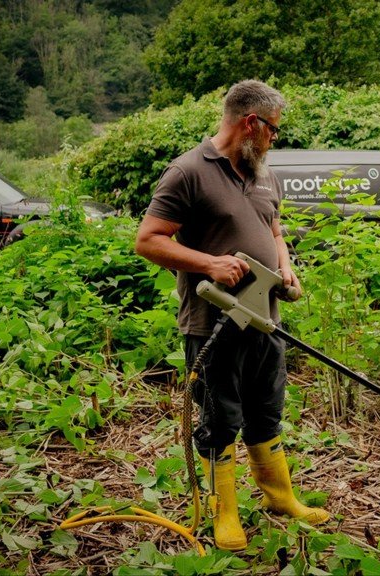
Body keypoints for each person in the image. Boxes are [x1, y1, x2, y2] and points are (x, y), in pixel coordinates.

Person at [135, 80, 329, 551]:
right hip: (215, 324)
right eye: (273, 131)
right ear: (250, 123)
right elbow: (148, 240)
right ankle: (226, 513)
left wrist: (286, 267)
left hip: (266, 320)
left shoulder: (264, 172)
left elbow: (274, 229)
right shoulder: (188, 172)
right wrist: (210, 264)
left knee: (267, 410)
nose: (274, 140)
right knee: (221, 418)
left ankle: (279, 498)